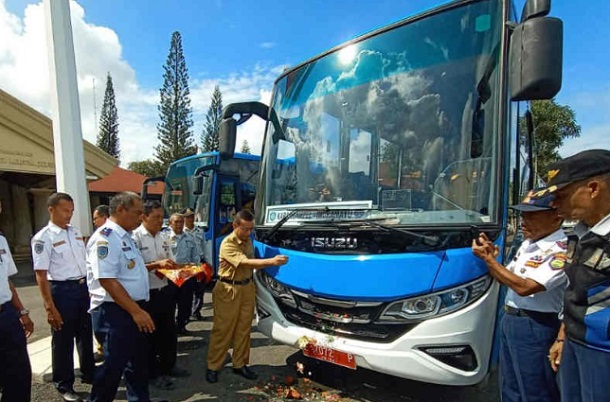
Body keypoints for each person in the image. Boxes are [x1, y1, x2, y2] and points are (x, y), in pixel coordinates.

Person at [472, 190, 568, 402]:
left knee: (535, 389)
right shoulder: (528, 244)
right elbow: (507, 279)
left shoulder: (560, 249)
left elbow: (525, 287)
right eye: (522, 215)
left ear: (556, 216)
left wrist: (490, 262)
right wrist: (495, 263)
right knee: (510, 385)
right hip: (513, 319)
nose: (524, 222)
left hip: (536, 324)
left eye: (532, 216)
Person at [535, 149, 610, 402]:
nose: (554, 204)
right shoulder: (580, 235)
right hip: (576, 345)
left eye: (561, 196)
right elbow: (574, 292)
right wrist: (562, 337)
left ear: (593, 188)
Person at [86, 192, 166, 402]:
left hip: (131, 309)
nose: (140, 217)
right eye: (137, 212)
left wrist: (138, 310)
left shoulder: (125, 237)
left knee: (138, 365)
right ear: (120, 209)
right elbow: (107, 280)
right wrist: (136, 312)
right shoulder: (105, 238)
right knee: (112, 368)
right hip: (114, 312)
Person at [206, 209, 289, 383]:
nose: (249, 232)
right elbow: (246, 262)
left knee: (244, 330)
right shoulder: (228, 243)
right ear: (235, 225)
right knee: (223, 330)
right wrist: (272, 261)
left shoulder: (248, 240)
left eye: (251, 229)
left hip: (246, 288)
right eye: (245, 229)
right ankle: (213, 366)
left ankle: (240, 364)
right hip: (229, 289)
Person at [32, 192, 94, 402]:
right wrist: (49, 306)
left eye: (72, 211)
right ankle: (64, 384)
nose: (70, 215)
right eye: (65, 210)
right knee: (63, 339)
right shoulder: (43, 238)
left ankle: (90, 373)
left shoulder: (75, 233)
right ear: (52, 209)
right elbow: (40, 274)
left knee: (86, 333)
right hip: (61, 290)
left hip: (82, 288)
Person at [133, 201, 188, 391]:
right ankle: (153, 374)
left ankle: (169, 366)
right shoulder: (135, 238)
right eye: (156, 217)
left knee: (168, 331)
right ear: (144, 217)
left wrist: (180, 269)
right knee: (149, 336)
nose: (160, 221)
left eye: (161, 216)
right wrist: (157, 265)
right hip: (146, 295)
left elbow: (170, 260)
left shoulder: (164, 236)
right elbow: (133, 267)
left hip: (165, 289)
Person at [0, 200, 34, 402]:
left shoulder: (1, 240)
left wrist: (22, 312)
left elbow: (7, 280)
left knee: (19, 376)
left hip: (7, 316)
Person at [167, 213, 200, 334]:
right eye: (176, 222)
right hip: (170, 275)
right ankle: (170, 327)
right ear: (170, 223)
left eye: (181, 221)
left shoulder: (189, 237)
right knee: (170, 303)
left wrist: (196, 268)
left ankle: (181, 325)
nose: (179, 224)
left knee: (185, 302)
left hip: (186, 274)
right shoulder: (164, 237)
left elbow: (195, 255)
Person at [181, 207, 206, 321]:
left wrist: (208, 263)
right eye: (188, 217)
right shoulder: (181, 232)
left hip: (200, 263)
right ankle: (186, 313)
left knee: (200, 290)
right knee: (188, 291)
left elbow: (205, 247)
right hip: (187, 265)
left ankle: (196, 311)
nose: (190, 219)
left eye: (192, 216)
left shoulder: (199, 231)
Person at [91, 204, 109, 362]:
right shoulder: (100, 238)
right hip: (103, 296)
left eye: (96, 218)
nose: (94, 222)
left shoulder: (116, 236)